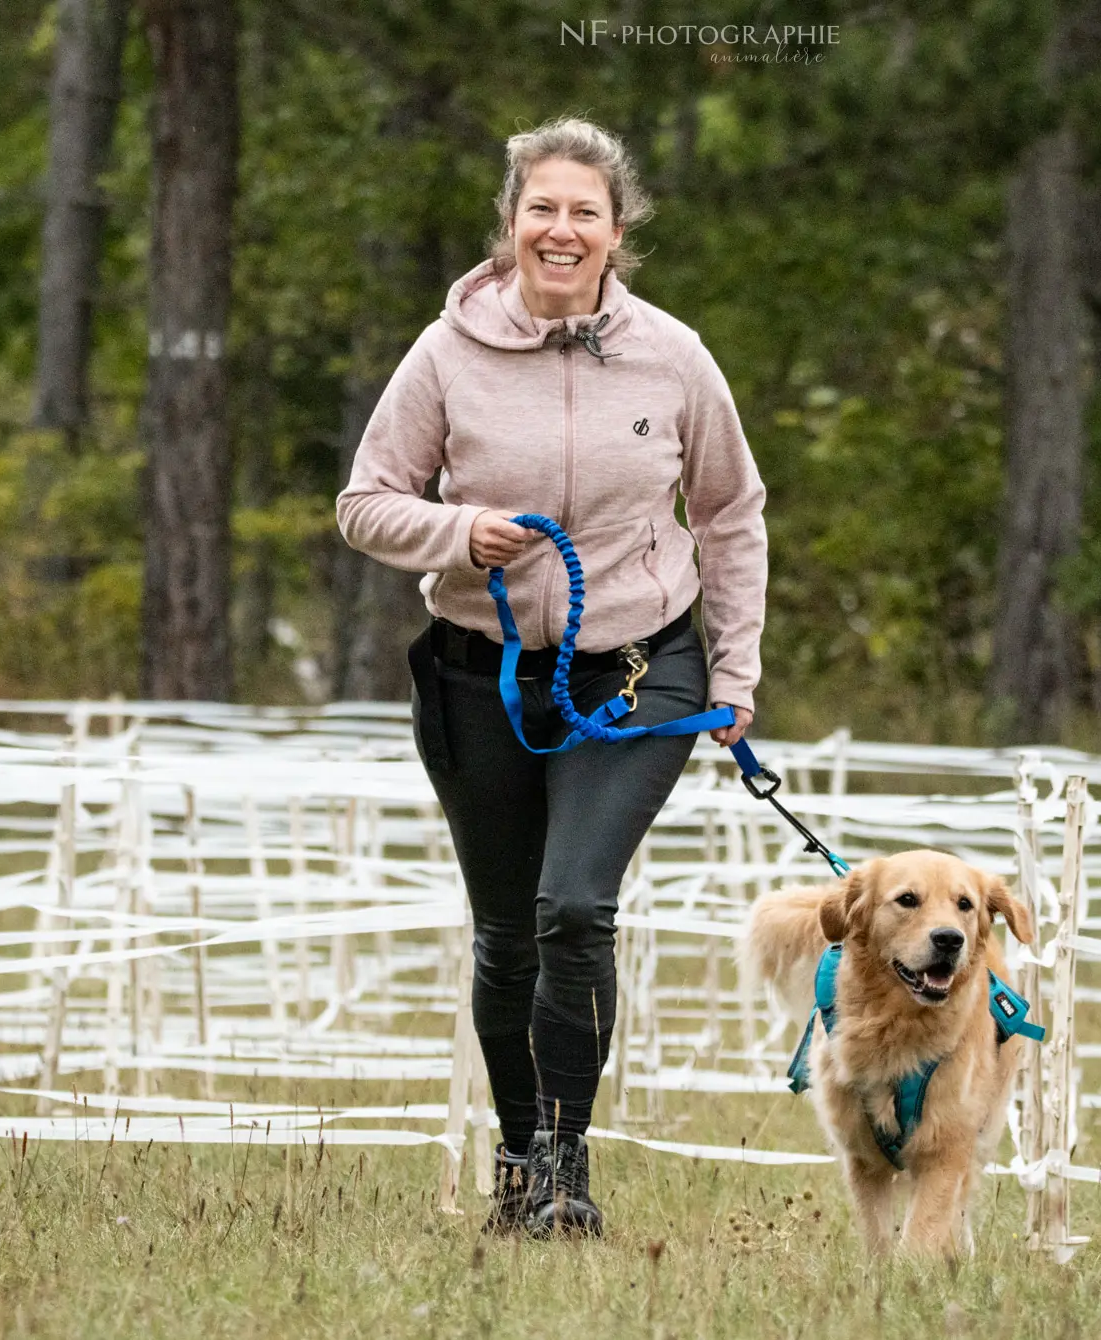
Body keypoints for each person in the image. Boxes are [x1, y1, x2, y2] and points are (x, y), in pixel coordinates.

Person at [336, 117, 768, 1238]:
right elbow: (365, 499)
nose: (560, 229)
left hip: (638, 668)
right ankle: (517, 1161)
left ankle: (567, 1166)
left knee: (574, 904)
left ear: (616, 233)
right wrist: (455, 529)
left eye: (584, 212)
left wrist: (735, 667)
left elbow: (728, 513)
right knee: (506, 933)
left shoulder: (673, 356)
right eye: (542, 209)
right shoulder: (444, 354)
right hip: (482, 675)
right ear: (510, 223)